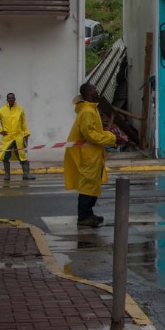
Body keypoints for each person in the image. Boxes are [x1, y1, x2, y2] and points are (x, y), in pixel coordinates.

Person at [63, 83, 118, 227]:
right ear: (88, 93)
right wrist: (111, 138)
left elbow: (94, 132)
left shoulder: (91, 110)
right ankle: (84, 217)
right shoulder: (88, 111)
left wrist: (107, 136)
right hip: (89, 155)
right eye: (94, 89)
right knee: (87, 185)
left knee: (92, 184)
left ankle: (89, 214)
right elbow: (90, 134)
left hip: (93, 154)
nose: (97, 90)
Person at [0, 92, 35, 181]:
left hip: (18, 137)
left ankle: (26, 174)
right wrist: (0, 131)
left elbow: (24, 124)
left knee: (21, 155)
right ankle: (7, 175)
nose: (11, 99)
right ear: (7, 100)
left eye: (12, 98)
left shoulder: (20, 110)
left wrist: (26, 135)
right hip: (7, 138)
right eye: (9, 98)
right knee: (5, 156)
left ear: (15, 99)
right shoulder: (1, 110)